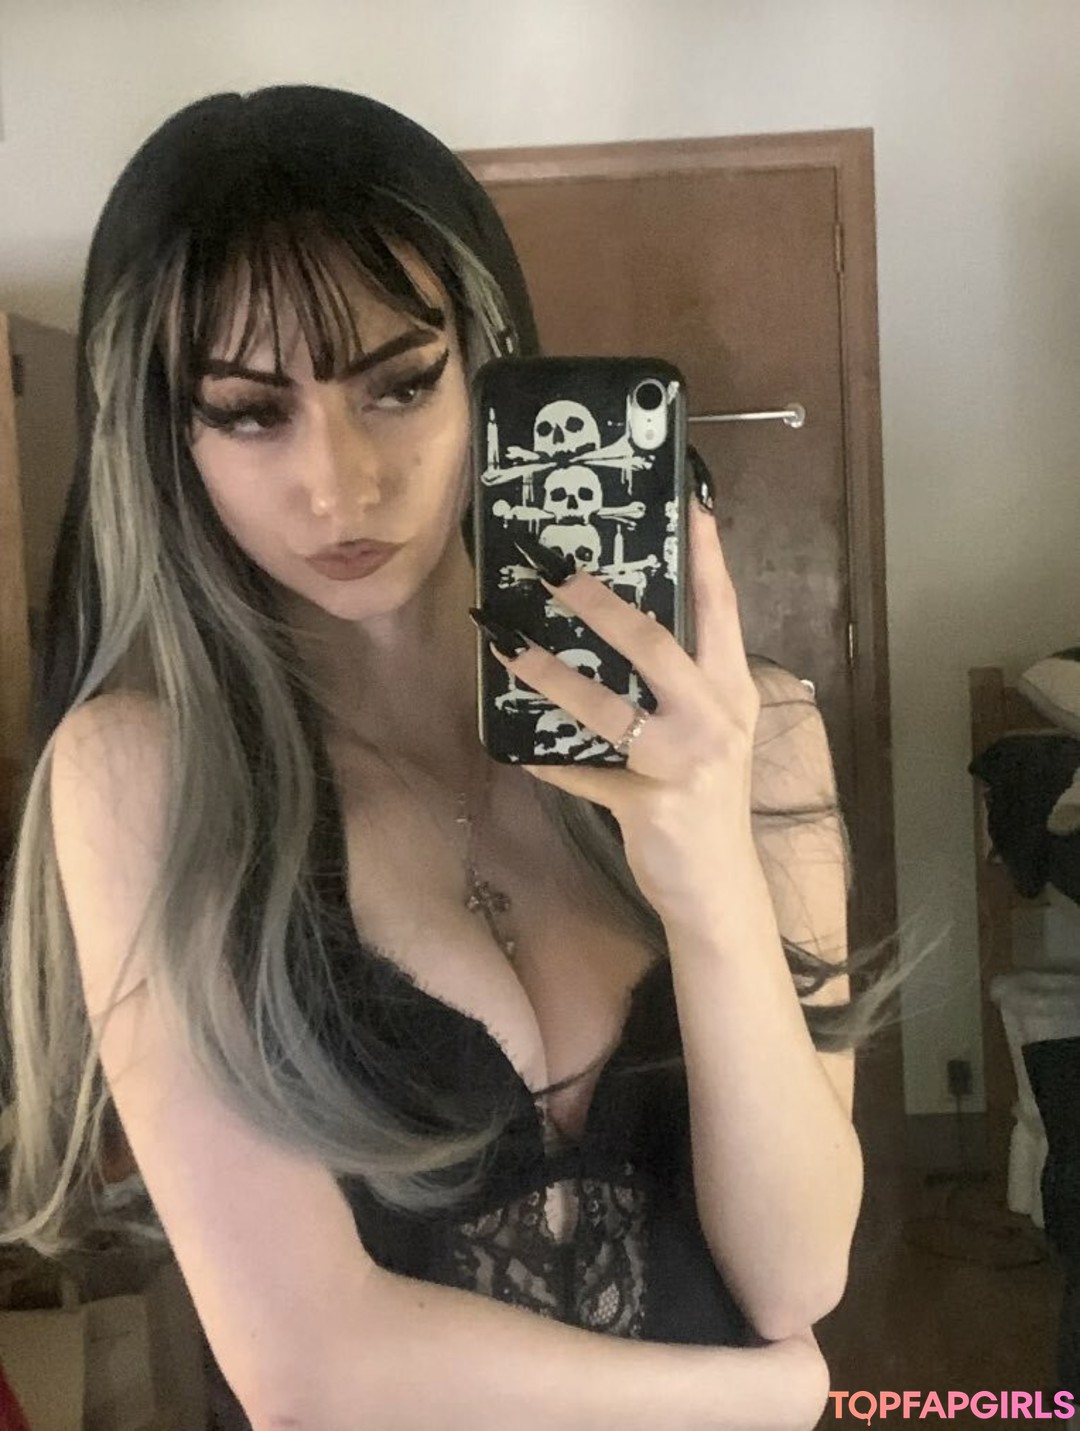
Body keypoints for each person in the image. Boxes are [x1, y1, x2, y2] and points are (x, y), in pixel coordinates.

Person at [0, 86, 876, 1429]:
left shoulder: (754, 740)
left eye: (400, 385)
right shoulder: (142, 781)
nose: (339, 483)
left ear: (490, 369)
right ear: (171, 438)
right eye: (251, 412)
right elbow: (311, 1374)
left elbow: (796, 1273)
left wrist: (706, 874)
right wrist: (759, 1402)